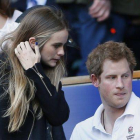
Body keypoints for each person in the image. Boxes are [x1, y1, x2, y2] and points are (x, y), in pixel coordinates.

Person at [0, 6, 69, 140]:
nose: (62, 52)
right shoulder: (4, 71)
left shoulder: (45, 72)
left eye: (64, 45)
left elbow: (59, 116)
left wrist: (35, 71)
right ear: (33, 43)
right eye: (56, 45)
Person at [70, 41, 140, 139]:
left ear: (132, 75)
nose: (120, 85)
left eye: (125, 76)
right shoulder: (82, 131)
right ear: (95, 80)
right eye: (112, 77)